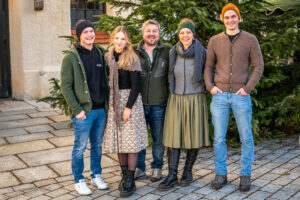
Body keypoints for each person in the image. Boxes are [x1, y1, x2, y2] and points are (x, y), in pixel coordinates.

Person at [204, 3, 264, 192]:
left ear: (238, 18)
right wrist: (210, 87)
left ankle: (245, 175)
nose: (230, 20)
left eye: (233, 16)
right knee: (219, 138)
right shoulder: (214, 40)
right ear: (222, 19)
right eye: (226, 17)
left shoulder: (250, 39)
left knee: (246, 137)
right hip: (219, 96)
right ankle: (220, 174)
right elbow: (208, 67)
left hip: (241, 96)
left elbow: (259, 66)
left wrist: (247, 88)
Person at [158, 18, 210, 191]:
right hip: (176, 97)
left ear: (193, 34)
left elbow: (211, 71)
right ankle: (172, 175)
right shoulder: (173, 52)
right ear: (178, 34)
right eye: (182, 33)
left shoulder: (202, 52)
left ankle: (187, 172)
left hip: (195, 97)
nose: (185, 35)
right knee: (173, 137)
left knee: (193, 135)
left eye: (188, 32)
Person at [60, 19, 109, 195]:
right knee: (79, 147)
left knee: (97, 145)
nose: (90, 34)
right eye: (85, 32)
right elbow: (65, 86)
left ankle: (96, 175)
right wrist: (77, 110)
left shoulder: (100, 53)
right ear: (79, 35)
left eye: (91, 31)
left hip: (100, 110)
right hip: (83, 112)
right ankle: (78, 179)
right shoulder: (71, 57)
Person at [103, 26, 148, 198]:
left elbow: (136, 86)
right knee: (120, 142)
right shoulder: (108, 56)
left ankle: (131, 179)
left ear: (127, 40)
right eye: (117, 38)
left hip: (130, 101)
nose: (119, 42)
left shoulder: (132, 58)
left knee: (131, 142)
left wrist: (128, 107)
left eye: (123, 39)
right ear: (112, 39)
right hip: (115, 101)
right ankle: (124, 177)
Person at [134, 19, 171, 182]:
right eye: (148, 31)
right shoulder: (134, 51)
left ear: (159, 33)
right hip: (138, 103)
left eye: (154, 31)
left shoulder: (168, 51)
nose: (151, 34)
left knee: (158, 138)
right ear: (143, 33)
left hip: (159, 103)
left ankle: (157, 168)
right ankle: (139, 168)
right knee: (140, 137)